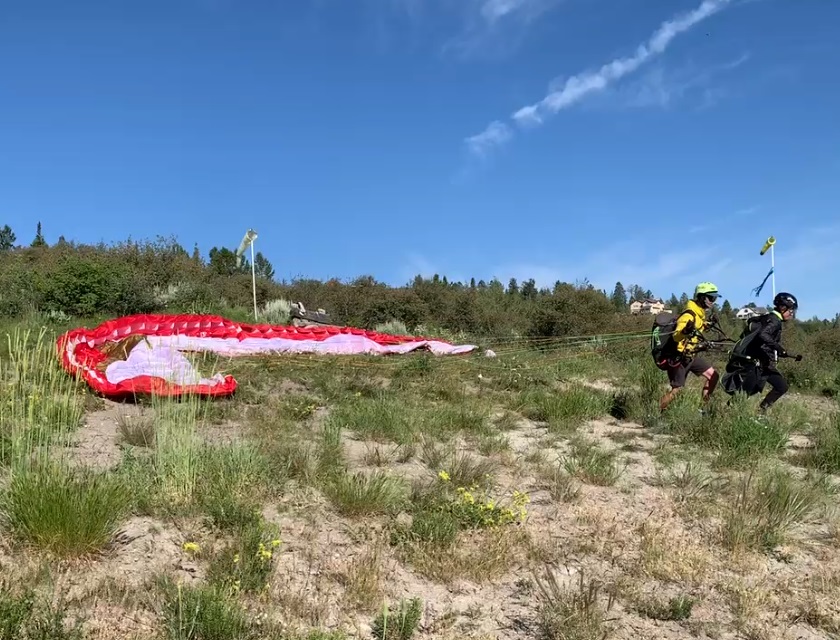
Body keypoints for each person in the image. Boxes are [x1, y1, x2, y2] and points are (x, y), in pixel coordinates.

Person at [723, 292, 801, 414]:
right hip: (756, 364)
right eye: (790, 310)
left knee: (781, 387)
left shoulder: (769, 318)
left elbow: (764, 341)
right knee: (744, 394)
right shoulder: (774, 321)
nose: (792, 314)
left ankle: (760, 412)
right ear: (782, 307)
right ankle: (724, 415)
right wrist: (778, 348)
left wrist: (779, 352)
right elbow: (763, 335)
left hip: (764, 364)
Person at [658, 282, 721, 412]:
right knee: (677, 391)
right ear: (702, 297)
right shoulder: (689, 315)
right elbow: (676, 336)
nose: (713, 301)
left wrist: (708, 325)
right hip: (679, 358)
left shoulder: (699, 314)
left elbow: (698, 328)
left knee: (713, 376)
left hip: (691, 356)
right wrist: (685, 331)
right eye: (711, 298)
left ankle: (703, 410)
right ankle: (656, 413)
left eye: (714, 298)